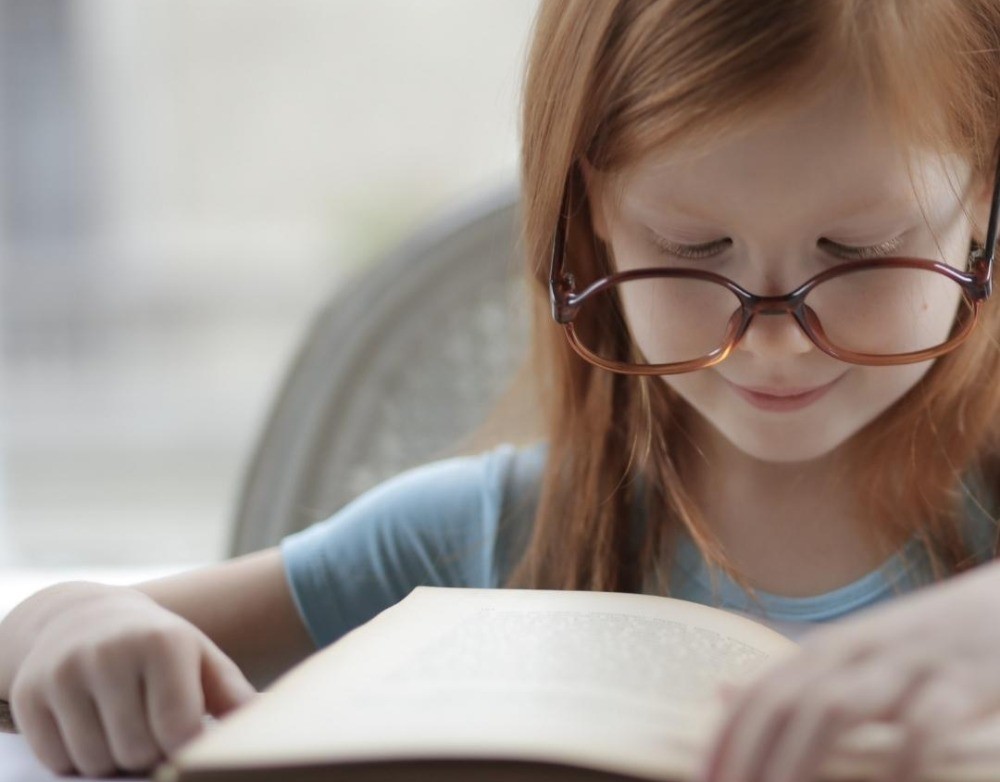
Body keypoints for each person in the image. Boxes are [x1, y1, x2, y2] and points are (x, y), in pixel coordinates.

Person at [2, 0, 1000, 779]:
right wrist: (61, 626)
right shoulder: (482, 534)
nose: (773, 338)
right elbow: (39, 642)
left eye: (860, 252)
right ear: (590, 225)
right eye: (691, 250)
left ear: (982, 205)